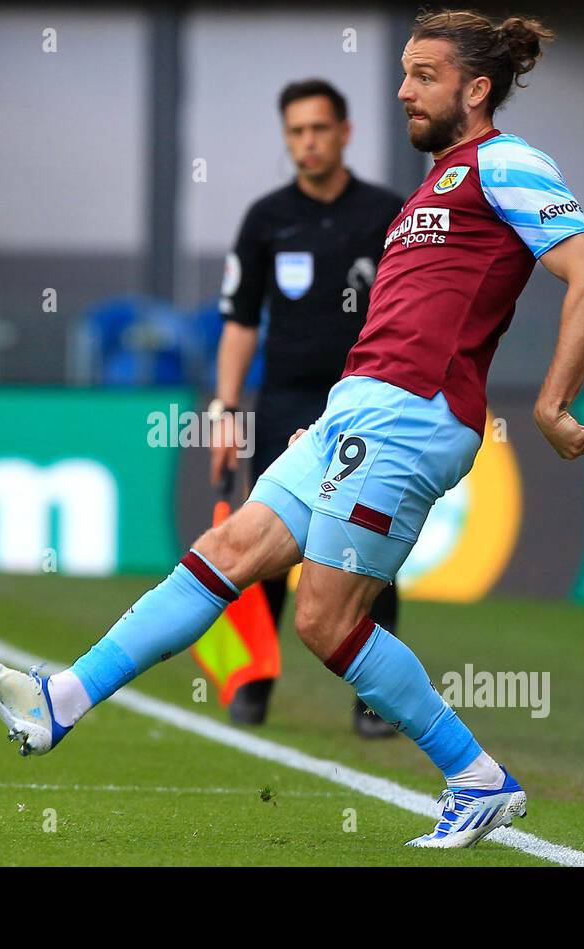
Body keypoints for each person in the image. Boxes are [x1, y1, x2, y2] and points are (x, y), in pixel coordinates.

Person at [0, 8, 584, 849]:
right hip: (353, 410)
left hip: (412, 414)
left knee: (323, 620)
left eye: (425, 75)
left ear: (476, 89)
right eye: (406, 71)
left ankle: (476, 778)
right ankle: (62, 702)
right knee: (225, 554)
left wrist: (555, 403)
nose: (405, 89)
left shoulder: (507, 162)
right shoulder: (435, 182)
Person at [210, 77, 403, 735]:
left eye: (320, 129)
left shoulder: (386, 215)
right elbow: (239, 321)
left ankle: (373, 697)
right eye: (296, 131)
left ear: (344, 133)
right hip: (285, 400)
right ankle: (255, 680)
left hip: (364, 403)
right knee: (266, 541)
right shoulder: (266, 219)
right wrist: (225, 407)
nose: (308, 142)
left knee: (365, 541)